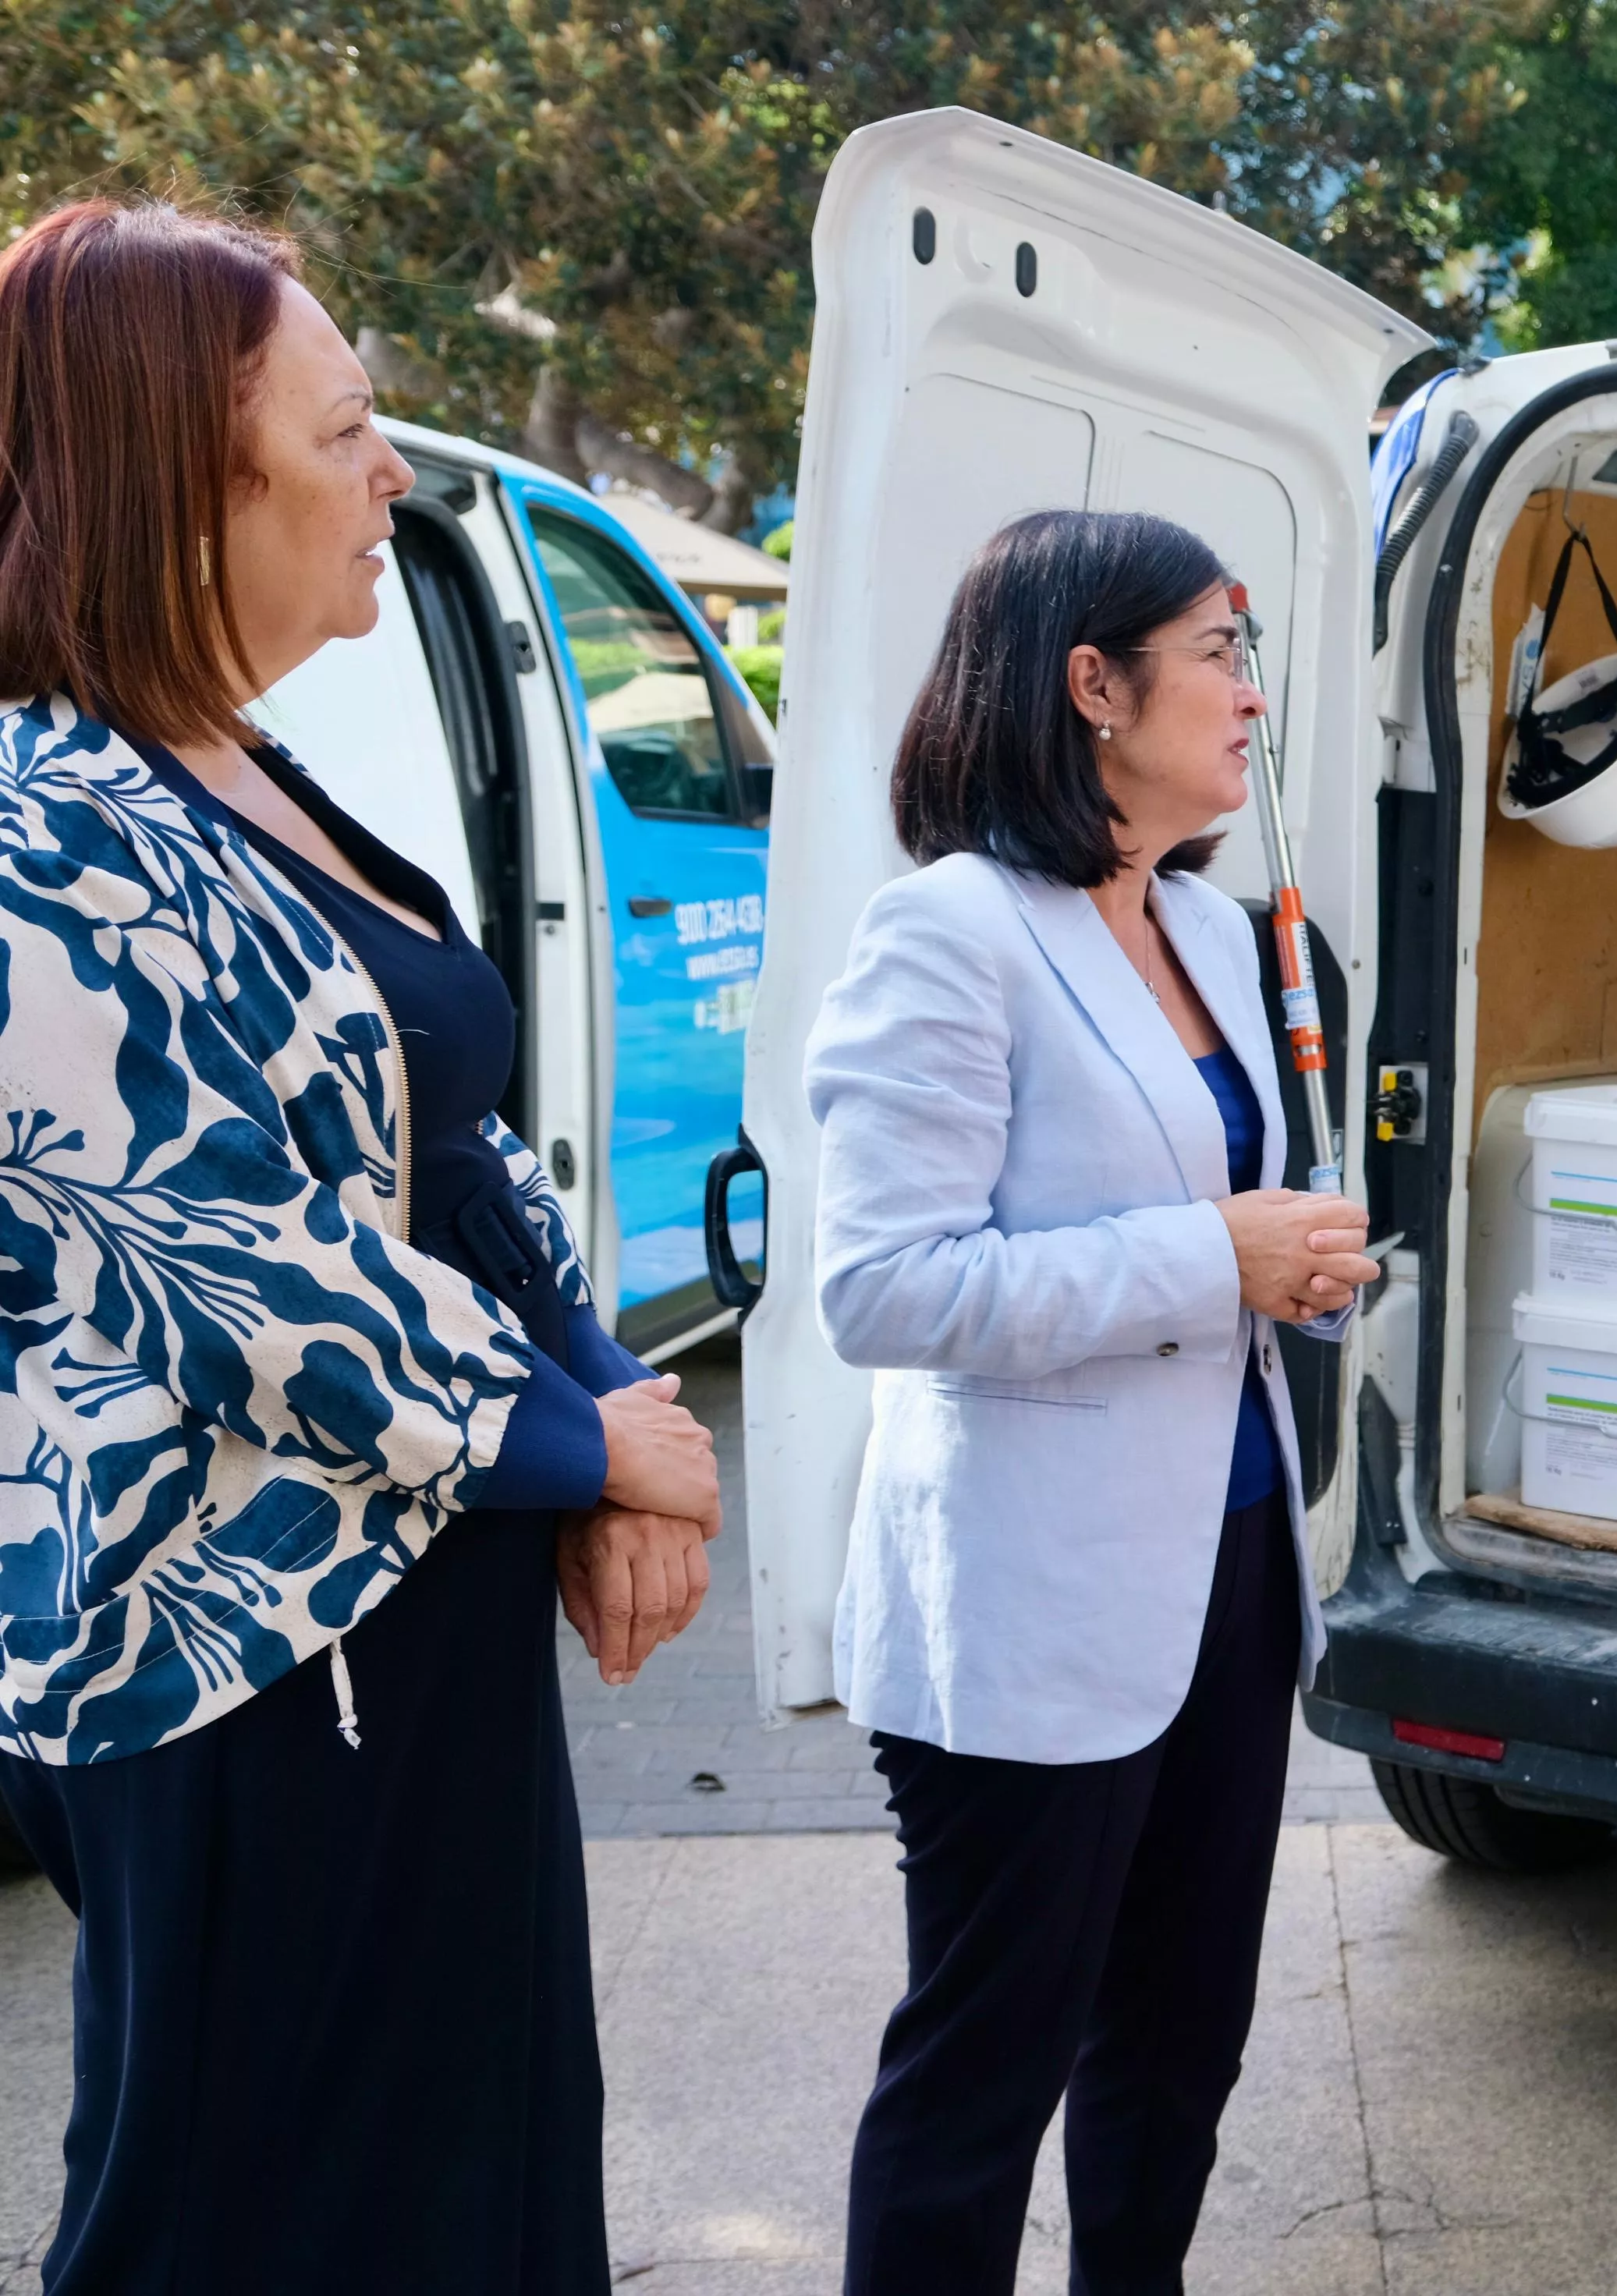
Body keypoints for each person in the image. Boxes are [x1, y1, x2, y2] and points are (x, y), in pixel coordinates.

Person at [0, 200, 721, 2292]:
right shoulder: (39, 830)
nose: (392, 470)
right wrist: (585, 1448)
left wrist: (613, 1395)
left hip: (409, 1628)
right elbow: (228, 1261)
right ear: (177, 485)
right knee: (252, 2218)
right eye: (342, 431)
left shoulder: (228, 760)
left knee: (470, 2182)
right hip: (238, 1664)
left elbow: (445, 1141)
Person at [810, 509, 1378, 2295]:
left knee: (1179, 2050)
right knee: (983, 2074)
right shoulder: (948, 933)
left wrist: (1292, 1257)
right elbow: (886, 1287)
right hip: (1029, 1604)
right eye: (1218, 652)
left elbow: (1217, 1216)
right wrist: (1212, 1254)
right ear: (1093, 684)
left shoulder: (1208, 925)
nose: (1253, 695)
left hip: (1227, 1573)